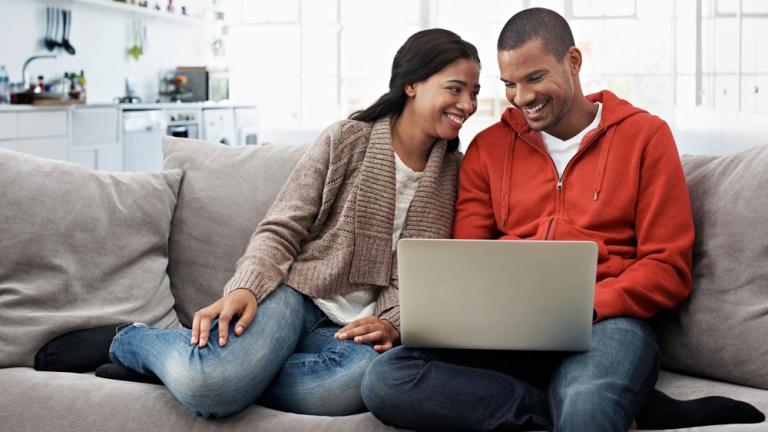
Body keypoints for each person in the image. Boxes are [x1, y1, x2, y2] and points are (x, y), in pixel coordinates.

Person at [34, 28, 481, 418]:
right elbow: (282, 226)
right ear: (412, 84)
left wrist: (394, 323)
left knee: (356, 383)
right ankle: (133, 341)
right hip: (297, 296)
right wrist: (247, 286)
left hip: (351, 330)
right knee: (211, 386)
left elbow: (420, 269)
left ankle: (195, 370)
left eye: (475, 93)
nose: (469, 104)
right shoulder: (348, 139)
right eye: (456, 89)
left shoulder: (453, 173)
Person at [361, 8, 763, 432]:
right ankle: (619, 409)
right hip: (507, 330)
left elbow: (668, 266)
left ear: (573, 61)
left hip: (606, 325)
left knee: (586, 407)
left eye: (534, 78)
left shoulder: (646, 137)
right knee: (387, 379)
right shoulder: (488, 148)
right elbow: (468, 259)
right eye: (509, 84)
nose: (521, 97)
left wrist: (586, 307)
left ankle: (595, 405)